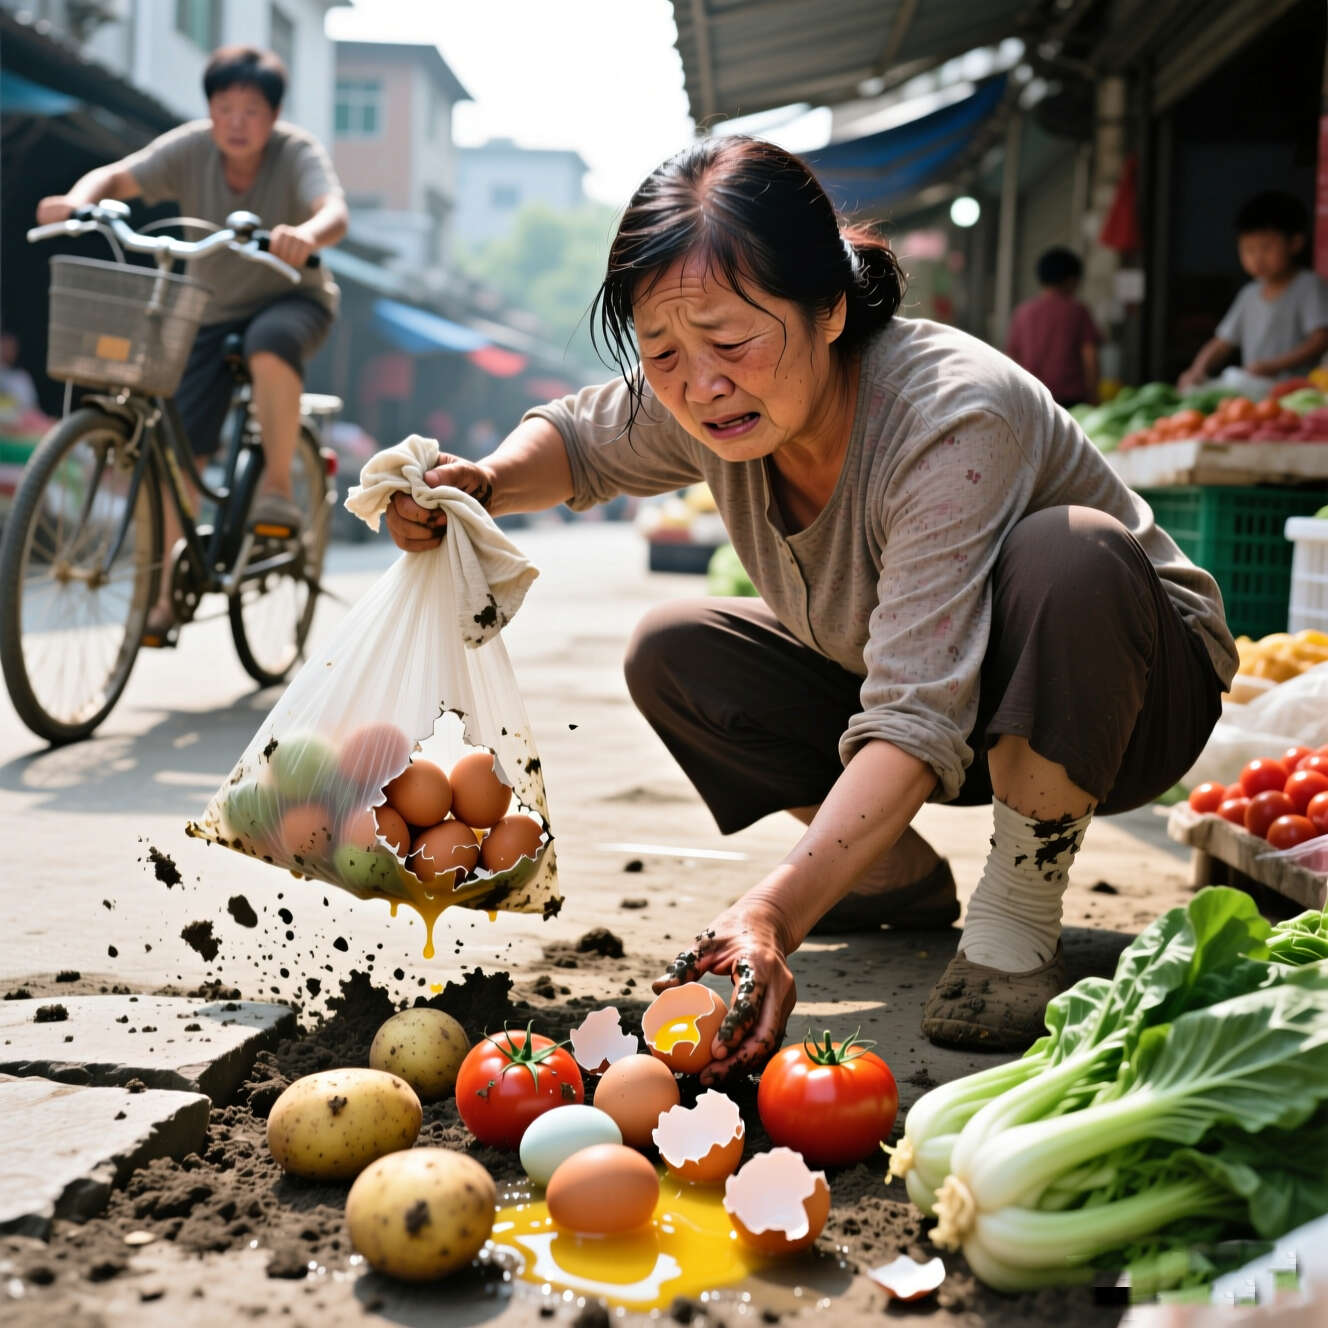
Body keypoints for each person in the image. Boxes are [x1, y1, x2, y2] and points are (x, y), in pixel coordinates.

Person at [385, 137, 1237, 1077]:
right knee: (676, 647)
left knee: (1066, 552)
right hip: (935, 701)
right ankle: (893, 877)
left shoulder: (951, 414)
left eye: (732, 342)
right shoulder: (703, 399)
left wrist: (770, 915)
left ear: (829, 308)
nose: (701, 385)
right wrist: (482, 482)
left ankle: (1018, 909)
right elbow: (581, 439)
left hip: (1120, 698)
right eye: (662, 350)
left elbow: (918, 712)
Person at [35, 45, 347, 644]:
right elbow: (119, 175)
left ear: (274, 117)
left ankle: (277, 490)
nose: (235, 121)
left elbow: (332, 209)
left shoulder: (296, 153)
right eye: (224, 107)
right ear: (209, 109)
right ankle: (158, 599)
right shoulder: (190, 148)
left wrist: (304, 235)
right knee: (178, 453)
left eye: (251, 111)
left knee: (268, 343)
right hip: (206, 309)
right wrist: (80, 199)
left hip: (291, 299)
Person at [1179, 190, 1328, 389]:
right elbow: (1222, 343)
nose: (1257, 258)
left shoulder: (1309, 286)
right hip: (1255, 392)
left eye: (1266, 248)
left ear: (1295, 243)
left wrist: (1273, 366)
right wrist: (1197, 370)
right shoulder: (1248, 294)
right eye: (1248, 250)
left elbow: (1320, 340)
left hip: (1297, 391)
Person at [1005, 246, 1102, 407]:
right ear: (1072, 279)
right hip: (1071, 401)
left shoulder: (1023, 312)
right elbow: (1089, 355)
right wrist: (1094, 396)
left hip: (1031, 398)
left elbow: (1011, 357)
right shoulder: (1077, 311)